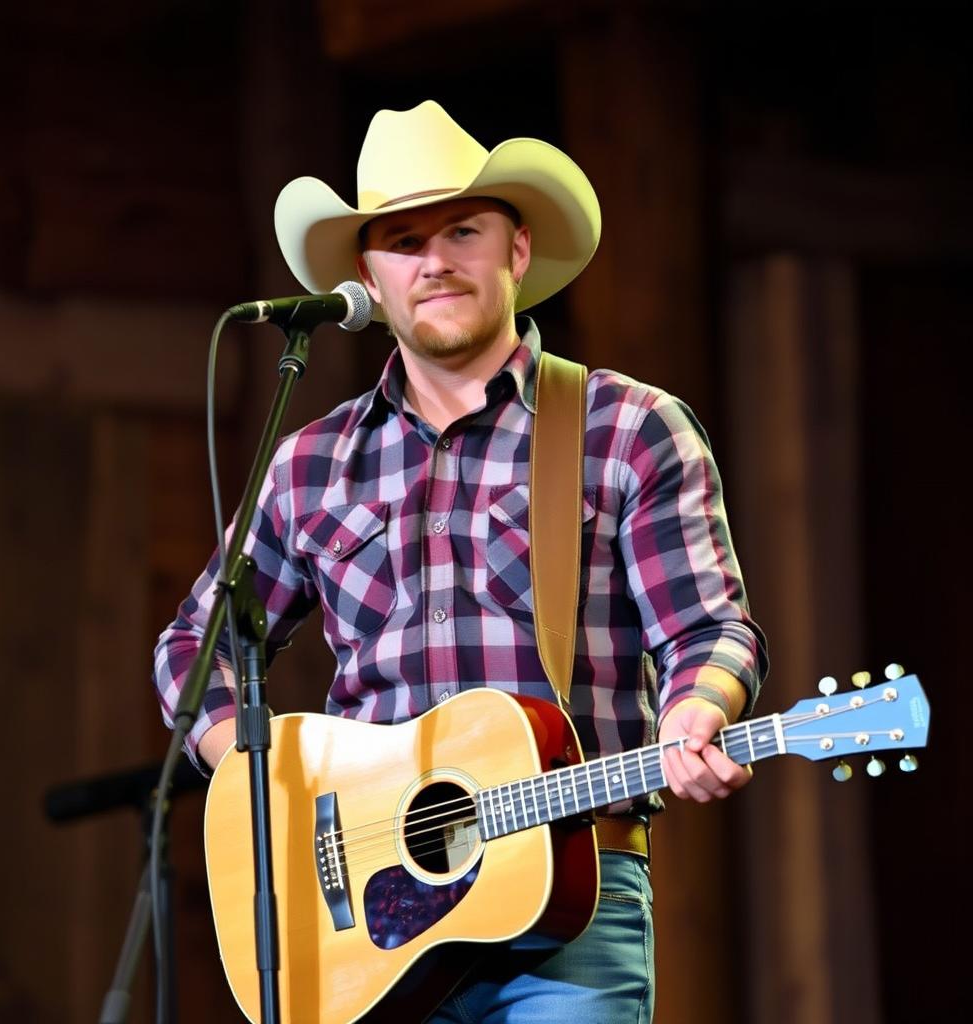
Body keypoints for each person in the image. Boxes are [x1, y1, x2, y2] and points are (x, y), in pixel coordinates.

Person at [154, 99, 767, 1022]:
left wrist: (695, 711)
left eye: (462, 231)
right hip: (364, 921)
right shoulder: (311, 464)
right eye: (403, 241)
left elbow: (712, 629)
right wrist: (259, 780)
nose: (434, 261)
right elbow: (191, 648)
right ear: (368, 276)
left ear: (516, 251)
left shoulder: (627, 429)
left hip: (572, 901)